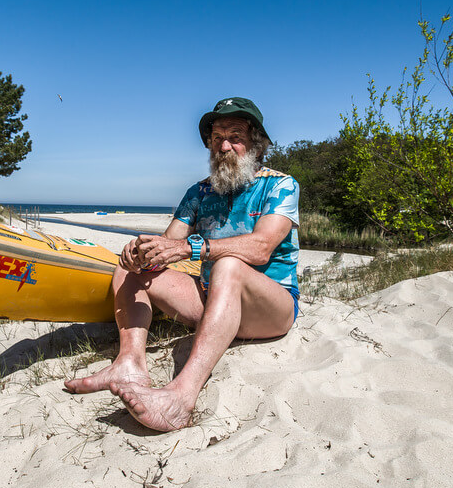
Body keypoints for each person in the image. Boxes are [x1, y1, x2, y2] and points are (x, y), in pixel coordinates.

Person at [64, 97, 299, 432]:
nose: (225, 146)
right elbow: (167, 244)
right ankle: (129, 363)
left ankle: (181, 398)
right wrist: (140, 252)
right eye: (217, 138)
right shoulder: (199, 192)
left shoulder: (280, 185)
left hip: (270, 308)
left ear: (256, 145)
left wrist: (191, 248)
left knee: (228, 265)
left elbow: (261, 248)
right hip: (212, 303)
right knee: (132, 268)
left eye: (235, 137)